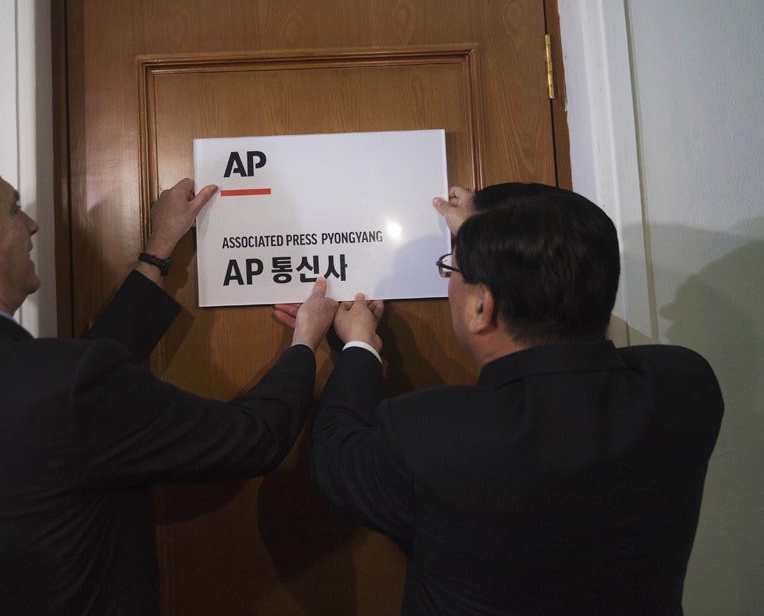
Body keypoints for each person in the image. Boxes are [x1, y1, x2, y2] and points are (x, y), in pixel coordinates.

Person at [0, 123, 339, 616]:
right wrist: (305, 341)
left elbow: (64, 405)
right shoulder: (61, 386)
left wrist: (158, 251)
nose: (31, 225)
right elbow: (250, 439)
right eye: (12, 208)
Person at [300, 182, 724, 616]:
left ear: (482, 307)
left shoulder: (428, 434)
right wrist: (498, 242)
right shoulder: (685, 385)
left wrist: (359, 345)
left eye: (454, 269)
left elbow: (333, 453)